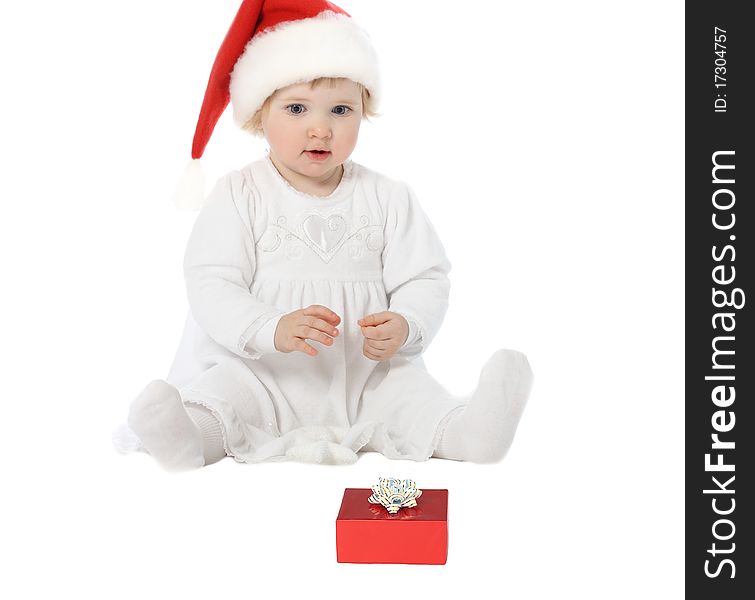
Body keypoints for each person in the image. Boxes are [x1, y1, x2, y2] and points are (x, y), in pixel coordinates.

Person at [113, 0, 533, 471]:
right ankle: (186, 437)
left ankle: (470, 432)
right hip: (262, 370)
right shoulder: (241, 193)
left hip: (365, 372)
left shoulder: (387, 196)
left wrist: (407, 322)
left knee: (409, 396)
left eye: (341, 109)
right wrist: (272, 328)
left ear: (363, 113)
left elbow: (425, 277)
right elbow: (212, 283)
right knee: (226, 398)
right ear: (258, 115)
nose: (320, 127)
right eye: (296, 108)